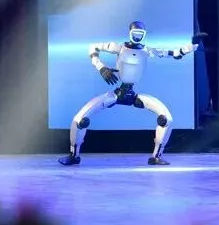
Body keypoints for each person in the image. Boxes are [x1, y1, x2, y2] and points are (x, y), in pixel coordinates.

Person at [59, 21, 197, 166]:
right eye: (135, 34)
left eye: (140, 34)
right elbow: (93, 47)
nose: (137, 37)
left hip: (133, 95)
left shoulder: (147, 51)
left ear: (144, 35)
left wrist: (191, 47)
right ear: (130, 33)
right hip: (116, 93)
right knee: (80, 120)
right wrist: (101, 67)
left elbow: (174, 53)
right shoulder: (119, 48)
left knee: (166, 119)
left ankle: (156, 156)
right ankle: (73, 155)